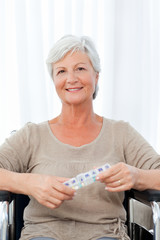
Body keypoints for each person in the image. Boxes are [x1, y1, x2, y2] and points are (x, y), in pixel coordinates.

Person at [0, 35, 160, 240]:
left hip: (106, 234)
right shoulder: (32, 135)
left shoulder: (121, 133)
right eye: (61, 71)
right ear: (55, 81)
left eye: (80, 69)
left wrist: (137, 176)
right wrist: (28, 183)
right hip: (42, 234)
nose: (71, 79)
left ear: (97, 76)